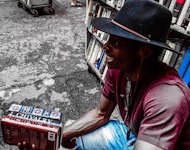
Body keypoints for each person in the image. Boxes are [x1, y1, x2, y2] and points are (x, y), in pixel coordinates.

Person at [62, 0, 190, 149]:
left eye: (116, 43)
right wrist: (63, 134)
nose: (105, 46)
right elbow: (101, 113)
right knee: (75, 132)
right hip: (134, 136)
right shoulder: (119, 68)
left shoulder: (167, 98)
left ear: (145, 52)